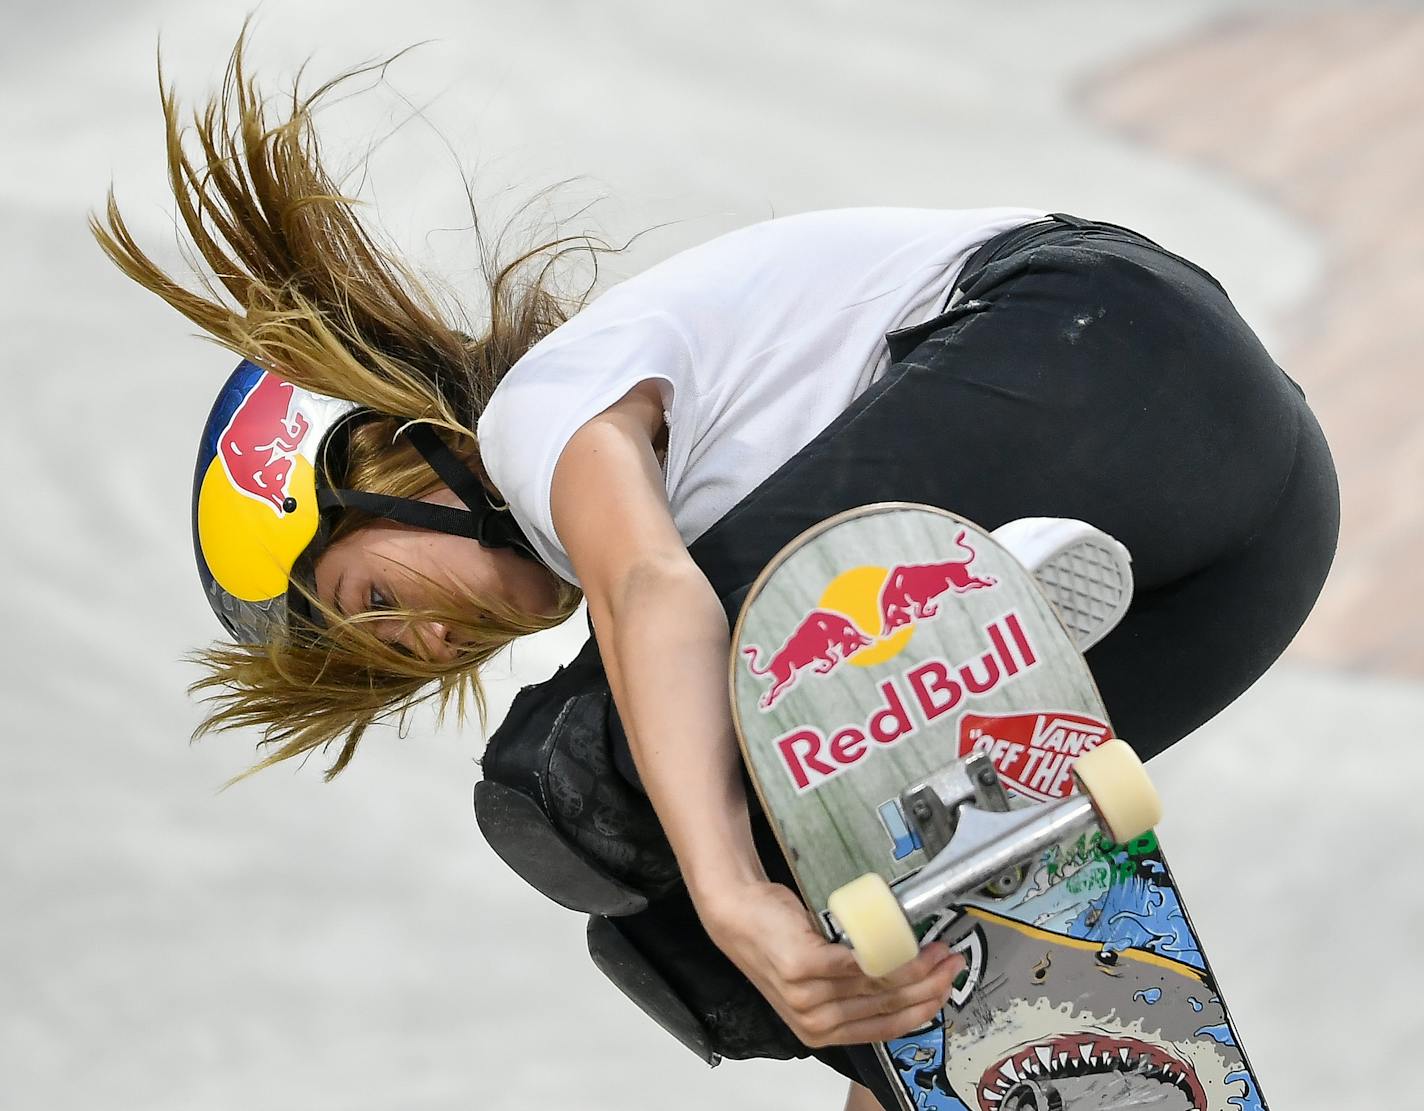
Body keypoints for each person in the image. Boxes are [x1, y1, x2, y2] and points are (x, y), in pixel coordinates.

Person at [93, 37, 1339, 1111]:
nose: (421, 647)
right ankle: (978, 666)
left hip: (1095, 349)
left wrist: (732, 889)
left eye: (372, 600)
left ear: (388, 456)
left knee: (578, 779)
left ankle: (972, 603)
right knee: (836, 909)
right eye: (388, 663)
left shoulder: (538, 417)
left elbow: (650, 592)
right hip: (1257, 533)